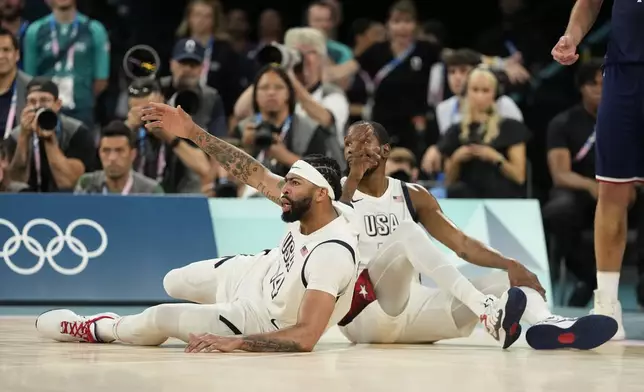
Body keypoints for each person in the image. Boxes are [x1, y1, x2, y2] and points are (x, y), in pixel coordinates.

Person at [36, 102, 359, 353]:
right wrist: (192, 132)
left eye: (293, 184)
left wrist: (241, 343)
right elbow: (253, 173)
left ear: (320, 194)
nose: (283, 190)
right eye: (286, 181)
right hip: (253, 272)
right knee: (173, 281)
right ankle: (215, 308)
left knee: (160, 318)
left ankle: (97, 328)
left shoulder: (331, 253)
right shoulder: (309, 204)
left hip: (256, 318)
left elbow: (305, 336)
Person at [337, 120, 618, 350]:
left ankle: (550, 324)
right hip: (363, 315)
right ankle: (486, 309)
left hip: (412, 316)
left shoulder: (413, 195)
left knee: (513, 278)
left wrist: (510, 264)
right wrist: (351, 182)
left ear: (385, 151)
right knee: (407, 232)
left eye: (364, 141)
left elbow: (462, 245)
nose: (354, 148)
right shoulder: (331, 192)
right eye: (348, 143)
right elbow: (329, 234)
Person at [551, 0, 639, 340]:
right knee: (612, 190)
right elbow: (589, 3)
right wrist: (572, 35)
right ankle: (606, 306)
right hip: (623, 76)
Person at [22, 0, 110, 128]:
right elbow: (29, 78)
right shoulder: (35, 30)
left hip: (82, 109)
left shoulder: (95, 30)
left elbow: (101, 79)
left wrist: (83, 97)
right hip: (44, 109)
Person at [6, 77, 96, 192]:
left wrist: (50, 140)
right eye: (32, 102)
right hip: (27, 201)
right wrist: (23, 138)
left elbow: (68, 183)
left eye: (44, 100)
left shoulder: (77, 132)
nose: (38, 106)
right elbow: (14, 183)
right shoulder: (15, 135)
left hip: (67, 203)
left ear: (57, 104)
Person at [74, 121, 164, 195]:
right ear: (99, 153)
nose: (112, 158)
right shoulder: (87, 184)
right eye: (106, 150)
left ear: (132, 154)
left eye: (119, 150)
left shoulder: (150, 191)